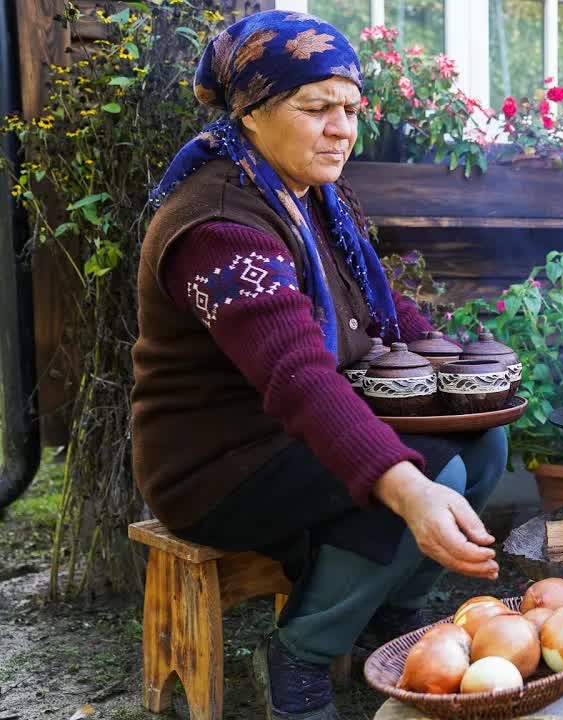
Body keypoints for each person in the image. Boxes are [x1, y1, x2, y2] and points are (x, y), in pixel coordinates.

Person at [131, 12, 506, 719]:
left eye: (352, 110)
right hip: (219, 464)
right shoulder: (218, 225)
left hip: (291, 438)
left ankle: (390, 617)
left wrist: (460, 371)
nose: (342, 129)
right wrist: (408, 485)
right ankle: (300, 656)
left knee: (483, 442)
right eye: (317, 108)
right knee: (424, 473)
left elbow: (381, 313)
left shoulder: (311, 198)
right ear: (252, 112)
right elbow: (298, 376)